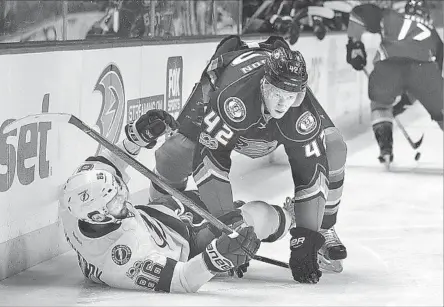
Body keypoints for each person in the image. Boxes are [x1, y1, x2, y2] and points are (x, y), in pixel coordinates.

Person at [150, 35, 348, 283]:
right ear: (265, 84)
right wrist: (229, 228)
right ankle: (159, 214)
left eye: (290, 95)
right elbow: (211, 161)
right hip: (231, 93)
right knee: (173, 154)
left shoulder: (298, 107)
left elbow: (311, 170)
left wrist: (307, 238)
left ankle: (325, 228)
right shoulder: (232, 97)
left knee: (334, 147)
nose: (282, 103)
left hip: (263, 102)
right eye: (277, 93)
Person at [59, 109, 299, 293]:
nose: (123, 197)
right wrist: (216, 258)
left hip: (161, 213)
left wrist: (137, 137)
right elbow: (183, 279)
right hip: (191, 244)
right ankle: (291, 218)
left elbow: (114, 159)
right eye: (115, 203)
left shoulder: (79, 196)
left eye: (120, 189)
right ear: (99, 217)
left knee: (174, 160)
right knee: (254, 215)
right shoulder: (122, 262)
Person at [346, 0, 443, 166]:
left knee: (380, 104)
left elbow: (358, 13)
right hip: (424, 68)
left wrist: (354, 44)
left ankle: (385, 150)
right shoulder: (436, 38)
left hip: (389, 63)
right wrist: (405, 103)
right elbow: (429, 79)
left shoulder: (391, 15)